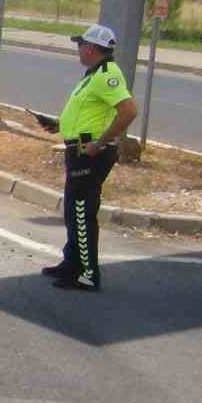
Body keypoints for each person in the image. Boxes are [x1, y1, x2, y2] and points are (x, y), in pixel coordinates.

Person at [36, 23, 137, 292]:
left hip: (91, 155)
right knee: (73, 210)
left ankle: (88, 274)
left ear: (91, 48)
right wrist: (59, 124)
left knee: (81, 212)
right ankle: (71, 264)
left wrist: (100, 143)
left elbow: (128, 111)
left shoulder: (107, 75)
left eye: (80, 45)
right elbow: (88, 115)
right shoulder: (92, 75)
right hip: (78, 151)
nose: (78, 49)